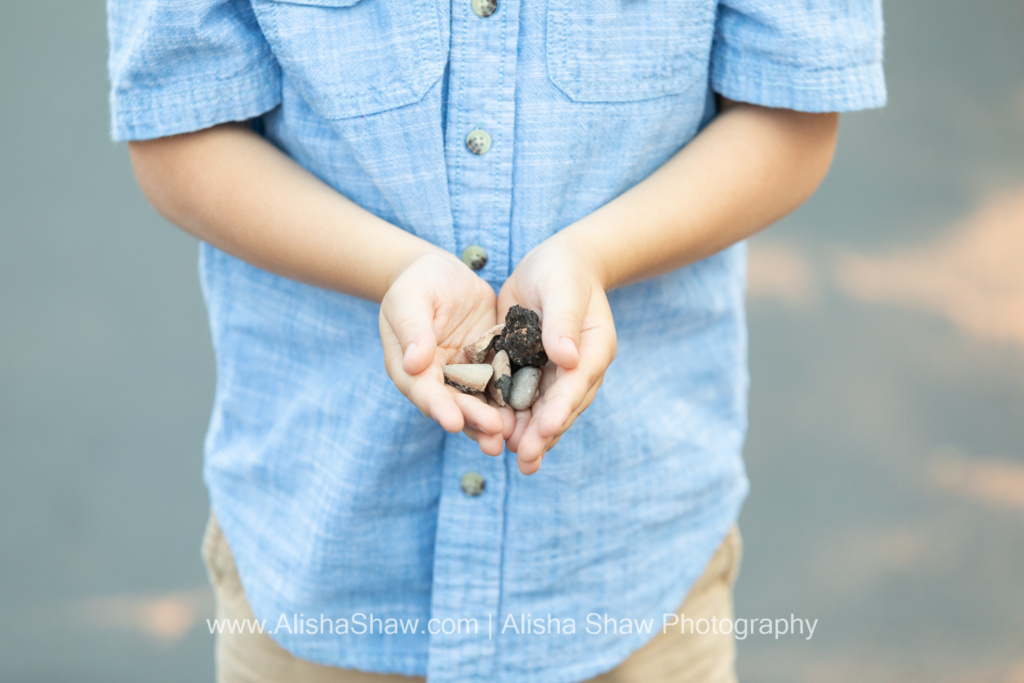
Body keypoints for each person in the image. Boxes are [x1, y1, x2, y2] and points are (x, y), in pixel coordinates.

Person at [107, 0, 885, 681]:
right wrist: (393, 270)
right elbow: (177, 130)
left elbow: (795, 112)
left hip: (635, 571)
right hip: (322, 561)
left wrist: (595, 256)